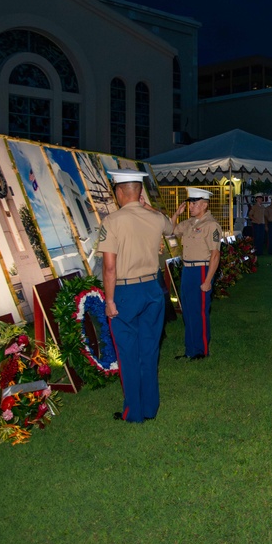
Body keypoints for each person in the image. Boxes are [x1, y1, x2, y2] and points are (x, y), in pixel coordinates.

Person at [99, 169, 170, 423]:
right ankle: (150, 408)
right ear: (140, 193)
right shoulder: (156, 218)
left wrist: (109, 301)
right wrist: (149, 209)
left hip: (125, 291)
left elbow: (109, 266)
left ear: (119, 192)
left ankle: (134, 412)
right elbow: (170, 226)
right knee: (149, 350)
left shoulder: (112, 221)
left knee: (128, 353)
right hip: (152, 288)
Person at [171, 188, 222, 360]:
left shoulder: (211, 225)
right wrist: (177, 213)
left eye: (194, 203)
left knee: (199, 311)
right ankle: (190, 349)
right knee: (188, 311)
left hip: (201, 269)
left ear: (205, 205)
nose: (190, 206)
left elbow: (215, 255)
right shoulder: (189, 223)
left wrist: (208, 280)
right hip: (188, 269)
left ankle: (201, 350)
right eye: (190, 203)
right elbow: (170, 231)